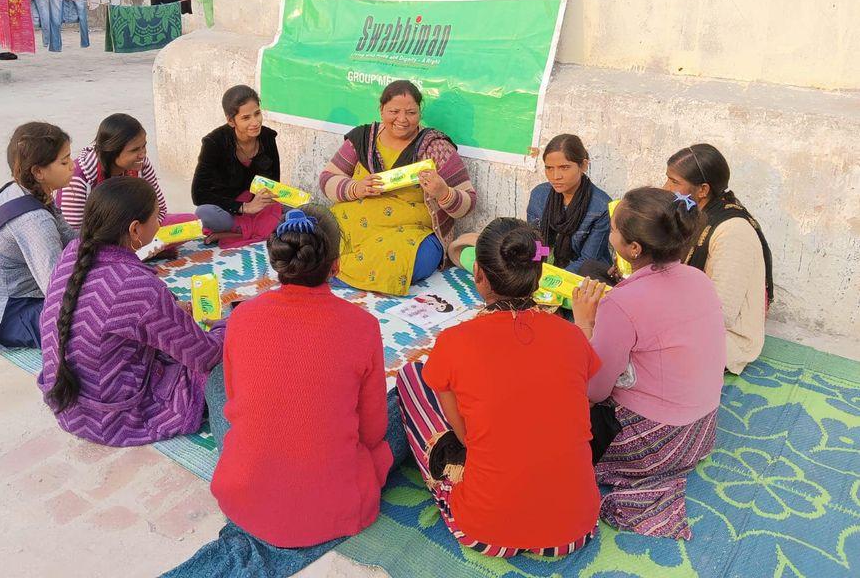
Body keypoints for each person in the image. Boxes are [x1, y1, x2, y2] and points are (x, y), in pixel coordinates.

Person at [396, 218, 601, 558]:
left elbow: (464, 437)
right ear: (539, 274)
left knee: (412, 376)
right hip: (574, 529)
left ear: (477, 273)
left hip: (486, 531)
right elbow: (581, 398)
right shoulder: (573, 337)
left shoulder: (454, 341)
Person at [208, 207, 406, 547]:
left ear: (278, 260)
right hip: (336, 506)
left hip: (242, 496)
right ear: (336, 266)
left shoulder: (241, 317)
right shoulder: (363, 326)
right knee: (404, 402)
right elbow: (372, 433)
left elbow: (235, 399)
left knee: (217, 381)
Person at [572, 187, 726, 540]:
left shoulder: (621, 303)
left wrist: (584, 324)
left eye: (613, 229)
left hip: (654, 446)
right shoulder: (699, 278)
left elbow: (594, 391)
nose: (609, 233)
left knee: (549, 399)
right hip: (700, 434)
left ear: (634, 248)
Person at [38, 177, 224, 446]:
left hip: (69, 407)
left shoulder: (73, 252)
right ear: (135, 229)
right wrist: (227, 325)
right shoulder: (137, 286)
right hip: (117, 418)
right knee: (230, 357)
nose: (161, 223)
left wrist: (170, 311)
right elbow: (206, 355)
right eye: (156, 217)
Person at [319, 80, 476, 295]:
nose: (402, 120)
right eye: (394, 111)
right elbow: (327, 178)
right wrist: (355, 187)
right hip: (353, 223)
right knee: (314, 233)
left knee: (410, 259)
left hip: (408, 233)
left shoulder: (436, 147)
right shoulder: (363, 139)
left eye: (411, 112)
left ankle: (330, 271)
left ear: (420, 112)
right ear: (381, 109)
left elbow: (468, 202)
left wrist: (444, 193)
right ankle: (341, 271)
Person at [0, 122, 76, 349]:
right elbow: (57, 291)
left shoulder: (22, 190)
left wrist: (106, 243)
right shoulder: (35, 220)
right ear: (38, 172)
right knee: (93, 322)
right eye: (64, 161)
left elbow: (69, 236)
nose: (73, 165)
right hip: (4, 315)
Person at [665, 143, 773, 374]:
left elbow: (721, 313)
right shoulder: (695, 214)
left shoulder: (733, 231)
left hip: (726, 339)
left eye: (674, 182)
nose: (666, 188)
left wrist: (661, 308)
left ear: (703, 190)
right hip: (689, 314)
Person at [190, 85, 281, 247]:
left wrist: (262, 200)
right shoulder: (214, 143)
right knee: (204, 213)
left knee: (297, 211)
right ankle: (258, 230)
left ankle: (237, 233)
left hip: (259, 207)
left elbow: (274, 182)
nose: (255, 122)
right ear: (231, 121)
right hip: (230, 209)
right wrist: (244, 207)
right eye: (246, 118)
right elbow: (198, 194)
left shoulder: (268, 137)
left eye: (257, 113)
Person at [56, 113, 169, 230]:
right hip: (96, 237)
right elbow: (74, 232)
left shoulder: (141, 165)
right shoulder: (78, 178)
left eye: (144, 146)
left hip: (133, 231)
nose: (142, 154)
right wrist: (125, 239)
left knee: (181, 223)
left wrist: (144, 234)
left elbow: (160, 209)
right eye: (134, 150)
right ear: (112, 151)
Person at [526, 134, 612, 273]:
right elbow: (536, 244)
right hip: (545, 268)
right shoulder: (539, 196)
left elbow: (588, 260)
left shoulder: (601, 207)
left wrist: (552, 277)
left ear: (583, 166)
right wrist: (535, 271)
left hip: (583, 274)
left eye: (564, 167)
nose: (556, 176)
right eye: (549, 168)